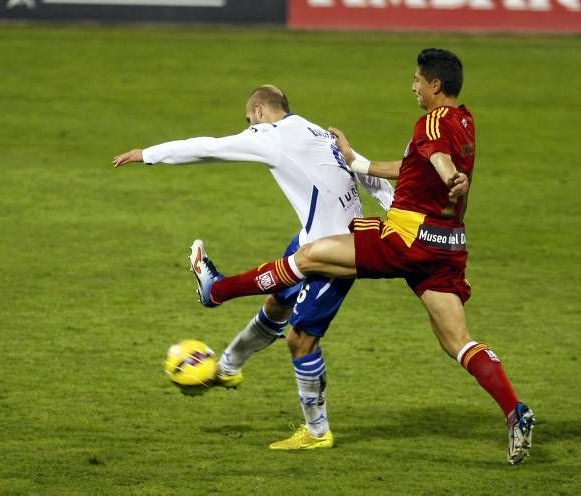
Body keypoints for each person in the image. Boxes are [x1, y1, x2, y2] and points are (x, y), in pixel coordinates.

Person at [189, 50, 536, 464]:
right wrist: (358, 161)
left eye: (417, 80)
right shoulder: (465, 120)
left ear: (435, 85)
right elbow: (415, 164)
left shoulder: (430, 123)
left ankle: (218, 290)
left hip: (406, 239)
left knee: (311, 254)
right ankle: (515, 411)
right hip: (447, 246)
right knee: (458, 342)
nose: (413, 87)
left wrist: (449, 176)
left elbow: (439, 158)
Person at [112, 85, 393, 450]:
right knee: (277, 303)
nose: (249, 126)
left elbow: (208, 147)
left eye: (249, 119)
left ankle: (317, 432)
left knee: (300, 339)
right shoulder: (318, 131)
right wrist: (398, 210)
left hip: (337, 253)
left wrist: (148, 154)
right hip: (316, 237)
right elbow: (369, 174)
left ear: (260, 110)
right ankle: (228, 368)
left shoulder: (269, 135)